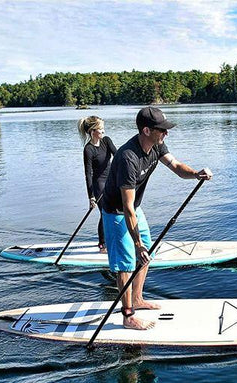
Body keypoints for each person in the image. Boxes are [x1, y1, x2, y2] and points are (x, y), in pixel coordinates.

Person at [101, 106, 212, 330]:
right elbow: (127, 206)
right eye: (161, 129)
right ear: (146, 130)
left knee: (147, 254)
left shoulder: (157, 145)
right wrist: (136, 244)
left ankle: (138, 299)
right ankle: (128, 316)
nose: (166, 133)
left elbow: (177, 166)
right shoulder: (127, 158)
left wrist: (195, 174)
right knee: (126, 263)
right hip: (116, 212)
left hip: (134, 209)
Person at [77, 115, 117, 252]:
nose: (104, 132)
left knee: (117, 210)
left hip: (111, 181)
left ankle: (115, 238)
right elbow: (88, 174)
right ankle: (102, 244)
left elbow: (117, 155)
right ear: (93, 131)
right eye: (101, 129)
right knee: (105, 213)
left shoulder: (106, 141)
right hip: (98, 184)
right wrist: (91, 197)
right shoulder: (88, 150)